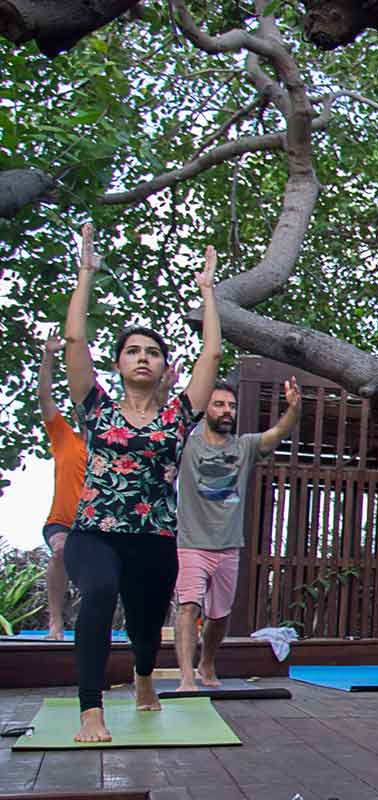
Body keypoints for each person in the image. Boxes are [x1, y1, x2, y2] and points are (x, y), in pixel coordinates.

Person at [62, 223, 222, 742]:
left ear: (163, 367)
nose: (142, 358)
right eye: (132, 351)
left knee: (146, 623)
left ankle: (144, 675)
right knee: (101, 591)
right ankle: (90, 709)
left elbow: (212, 357)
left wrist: (207, 294)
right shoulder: (96, 409)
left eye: (151, 352)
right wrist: (86, 275)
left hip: (154, 536)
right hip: (94, 531)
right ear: (118, 364)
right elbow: (74, 339)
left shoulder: (178, 416)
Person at [172, 376, 300, 692]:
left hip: (228, 547)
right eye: (219, 404)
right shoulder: (187, 445)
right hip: (190, 544)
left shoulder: (244, 447)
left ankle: (208, 661)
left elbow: (278, 433)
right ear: (205, 410)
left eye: (231, 406)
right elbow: (164, 422)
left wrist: (293, 409)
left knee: (219, 616)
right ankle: (187, 676)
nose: (227, 411)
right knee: (188, 606)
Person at [34, 332, 85, 640]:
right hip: (62, 522)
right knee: (60, 552)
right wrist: (49, 356)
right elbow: (44, 397)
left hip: (97, 526)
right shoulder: (64, 436)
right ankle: (55, 621)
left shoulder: (111, 443)